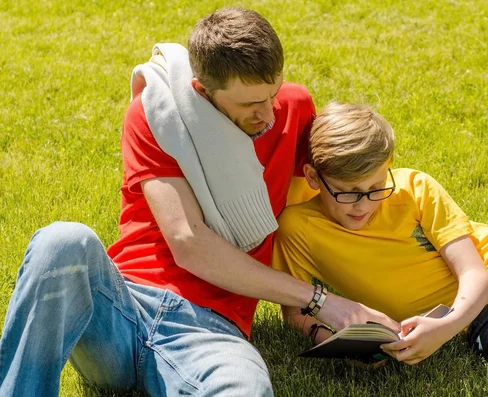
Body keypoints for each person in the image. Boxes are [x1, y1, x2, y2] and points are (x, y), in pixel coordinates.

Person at [0, 9, 400, 397]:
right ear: (202, 92)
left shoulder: (292, 109)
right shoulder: (158, 115)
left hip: (213, 334)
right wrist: (319, 301)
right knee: (62, 241)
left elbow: (332, 189)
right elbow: (188, 243)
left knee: (247, 390)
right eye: (248, 105)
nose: (267, 114)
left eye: (271, 94)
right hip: (124, 310)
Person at [272, 101, 488, 395]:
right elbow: (295, 310)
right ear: (313, 178)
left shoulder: (414, 188)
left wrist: (444, 328)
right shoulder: (297, 228)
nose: (364, 204)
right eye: (349, 192)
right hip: (487, 323)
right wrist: (339, 344)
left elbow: (475, 274)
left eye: (375, 187)